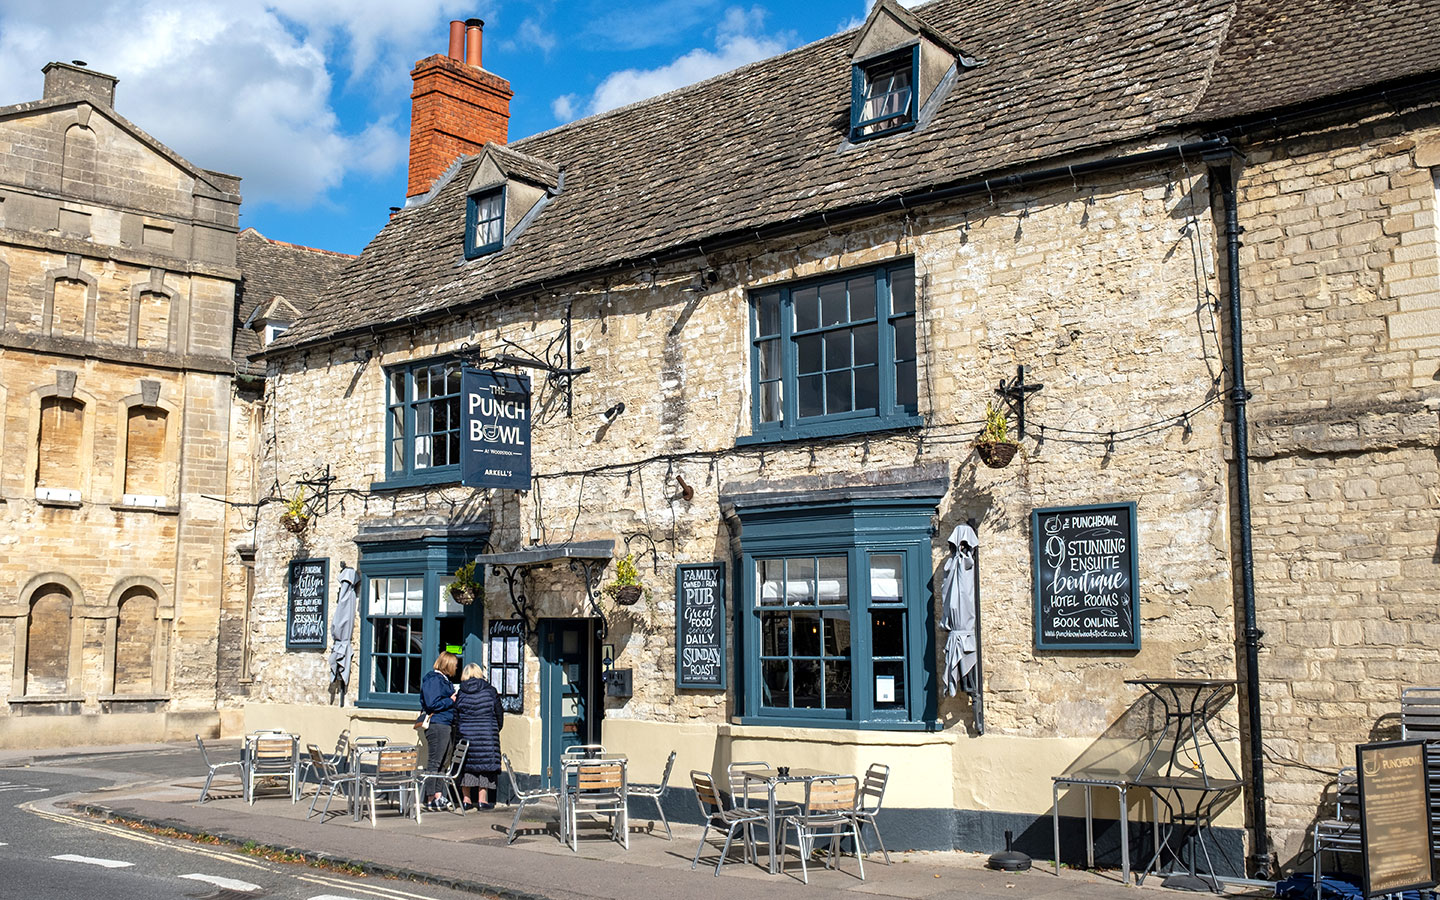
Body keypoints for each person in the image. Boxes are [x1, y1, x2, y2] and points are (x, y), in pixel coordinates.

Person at [453, 662, 503, 810]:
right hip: (487, 734)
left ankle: (466, 801)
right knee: (485, 767)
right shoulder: (490, 691)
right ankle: (482, 800)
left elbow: (456, 716)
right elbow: (499, 713)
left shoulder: (461, 693)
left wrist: (461, 731)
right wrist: (494, 729)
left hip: (466, 735)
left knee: (467, 767)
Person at [420, 650, 459, 811]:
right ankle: (431, 798)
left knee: (443, 762)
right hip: (438, 725)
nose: (456, 668)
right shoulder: (434, 679)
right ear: (448, 665)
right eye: (455, 665)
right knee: (435, 762)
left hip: (445, 724)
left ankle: (437, 794)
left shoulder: (443, 680)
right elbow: (432, 704)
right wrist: (451, 700)